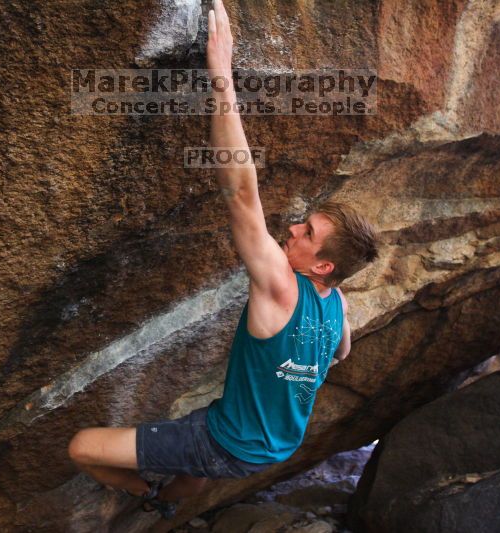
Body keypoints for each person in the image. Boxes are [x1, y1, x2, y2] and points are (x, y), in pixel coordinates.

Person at [67, 0, 379, 519]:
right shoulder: (334, 301)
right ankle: (171, 498)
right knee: (201, 470)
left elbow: (240, 193)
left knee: (83, 446)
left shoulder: (282, 286)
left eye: (306, 234)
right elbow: (342, 353)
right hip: (275, 448)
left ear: (321, 265)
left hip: (225, 441)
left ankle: (146, 494)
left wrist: (220, 77)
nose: (292, 230)